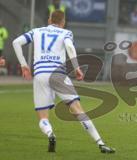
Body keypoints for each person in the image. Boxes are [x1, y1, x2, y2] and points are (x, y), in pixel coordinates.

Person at [12, 10, 115, 153]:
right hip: (58, 74)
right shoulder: (66, 33)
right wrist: (77, 67)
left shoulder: (36, 31)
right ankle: (101, 143)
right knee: (78, 110)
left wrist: (24, 64)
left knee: (43, 117)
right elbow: (70, 47)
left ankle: (50, 133)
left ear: (49, 20)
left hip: (40, 74)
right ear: (63, 22)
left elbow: (16, 42)